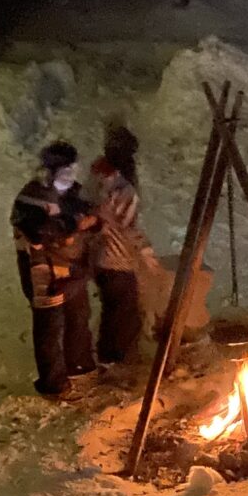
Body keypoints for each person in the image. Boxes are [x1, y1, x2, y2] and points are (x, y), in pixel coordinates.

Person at [12, 142, 98, 396]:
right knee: (50, 328)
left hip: (72, 269)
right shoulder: (31, 198)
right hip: (45, 273)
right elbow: (39, 233)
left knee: (79, 319)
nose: (69, 177)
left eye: (72, 170)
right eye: (64, 172)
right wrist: (74, 226)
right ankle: (54, 384)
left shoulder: (73, 192)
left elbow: (89, 211)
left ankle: (81, 368)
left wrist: (92, 221)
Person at [89, 122, 156, 366]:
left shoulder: (95, 181)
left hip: (98, 259)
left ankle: (109, 356)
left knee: (112, 309)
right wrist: (146, 253)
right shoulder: (122, 190)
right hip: (116, 259)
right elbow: (128, 228)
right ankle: (116, 361)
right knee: (123, 312)